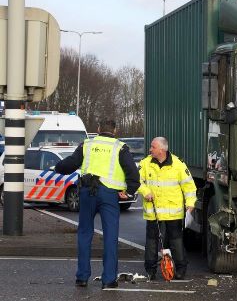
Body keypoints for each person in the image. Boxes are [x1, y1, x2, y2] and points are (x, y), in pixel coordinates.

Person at [54, 119, 140, 289]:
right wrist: (129, 191)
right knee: (110, 236)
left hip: (87, 192)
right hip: (109, 195)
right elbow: (133, 173)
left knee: (85, 233)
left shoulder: (87, 144)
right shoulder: (120, 147)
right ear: (115, 130)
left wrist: (57, 167)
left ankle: (82, 277)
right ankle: (108, 280)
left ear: (98, 129)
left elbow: (70, 164)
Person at [138, 137, 197, 280]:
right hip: (154, 212)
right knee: (152, 242)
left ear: (162, 149)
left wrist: (190, 204)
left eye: (153, 147)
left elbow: (189, 186)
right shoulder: (145, 163)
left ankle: (181, 269)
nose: (150, 149)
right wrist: (146, 192)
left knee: (176, 242)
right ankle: (150, 270)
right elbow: (136, 181)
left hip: (173, 213)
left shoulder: (178, 164)